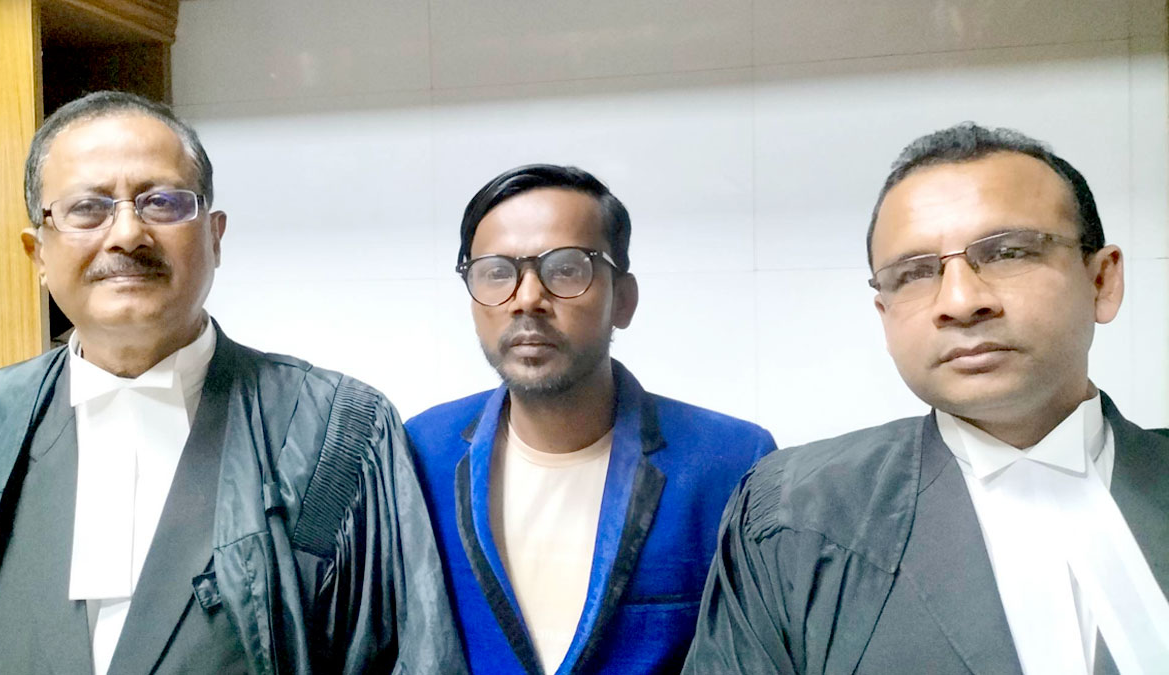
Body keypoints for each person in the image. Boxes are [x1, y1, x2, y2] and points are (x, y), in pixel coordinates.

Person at [0, 91, 465, 675]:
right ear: (38, 254)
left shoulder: (340, 431)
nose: (126, 234)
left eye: (162, 202)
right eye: (87, 208)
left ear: (215, 236)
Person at [684, 123, 1169, 674]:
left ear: (1102, 281)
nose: (959, 302)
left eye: (1008, 252)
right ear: (884, 315)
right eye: (914, 273)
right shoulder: (792, 513)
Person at [404, 164, 776, 674]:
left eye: (565, 270)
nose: (527, 299)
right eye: (496, 272)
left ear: (623, 299)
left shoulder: (733, 463)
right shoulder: (419, 453)